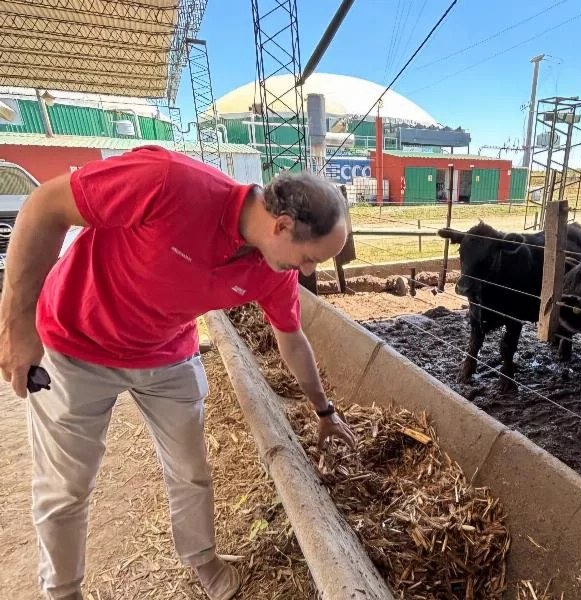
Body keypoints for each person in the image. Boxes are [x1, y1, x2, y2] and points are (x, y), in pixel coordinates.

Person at [0, 146, 358, 600]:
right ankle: (63, 591)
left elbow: (292, 340)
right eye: (309, 258)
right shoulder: (169, 181)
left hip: (165, 352)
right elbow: (44, 207)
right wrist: (15, 321)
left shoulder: (274, 270)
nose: (306, 272)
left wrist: (324, 411)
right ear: (282, 225)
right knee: (67, 487)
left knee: (191, 469)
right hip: (76, 342)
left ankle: (201, 558)